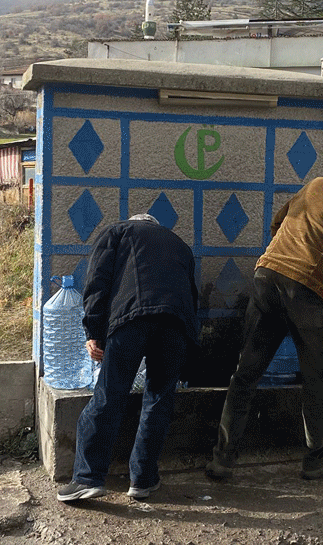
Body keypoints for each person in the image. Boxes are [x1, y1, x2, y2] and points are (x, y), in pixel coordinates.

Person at [207, 163, 323, 482]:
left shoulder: (317, 183)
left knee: (246, 372)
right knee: (316, 380)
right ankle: (316, 461)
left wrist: (284, 262)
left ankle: (222, 459)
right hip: (311, 291)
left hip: (267, 274)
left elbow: (279, 222)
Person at [56, 213, 199, 503]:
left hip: (131, 319)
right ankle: (143, 481)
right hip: (176, 325)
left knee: (109, 395)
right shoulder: (180, 245)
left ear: (134, 222)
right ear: (154, 225)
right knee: (159, 400)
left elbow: (97, 281)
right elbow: (192, 297)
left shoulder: (117, 232)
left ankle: (88, 478)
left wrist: (93, 331)